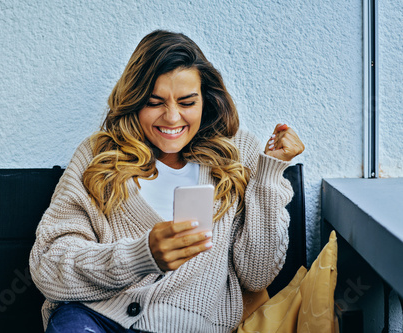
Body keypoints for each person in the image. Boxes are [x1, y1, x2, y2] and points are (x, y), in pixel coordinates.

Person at [29, 30, 305, 333]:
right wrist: (141, 255)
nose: (172, 118)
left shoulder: (238, 154)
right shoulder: (100, 155)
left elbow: (257, 274)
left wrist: (269, 173)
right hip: (94, 320)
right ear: (134, 101)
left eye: (187, 102)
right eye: (154, 101)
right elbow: (49, 266)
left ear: (206, 100)